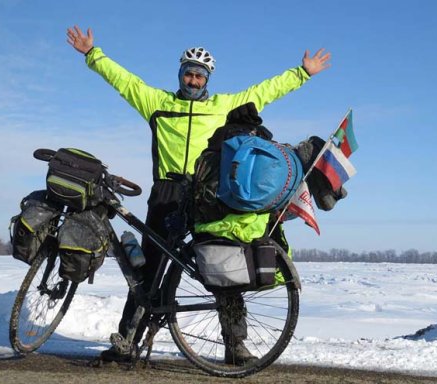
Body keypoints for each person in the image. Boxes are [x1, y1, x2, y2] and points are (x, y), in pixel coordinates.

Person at [66, 25, 331, 364]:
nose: (193, 80)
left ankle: (235, 347)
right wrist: (93, 54)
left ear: (208, 79)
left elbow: (265, 91)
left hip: (208, 196)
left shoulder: (224, 106)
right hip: (166, 192)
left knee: (223, 267)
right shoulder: (157, 103)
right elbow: (125, 82)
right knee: (148, 270)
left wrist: (302, 73)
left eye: (200, 76)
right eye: (189, 74)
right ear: (180, 74)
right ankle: (127, 343)